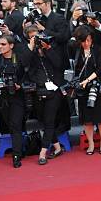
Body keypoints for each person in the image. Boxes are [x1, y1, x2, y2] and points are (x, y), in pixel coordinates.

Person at [0, 35, 34, 168]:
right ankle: (21, 148)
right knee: (11, 125)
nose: (0, 47)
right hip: (2, 98)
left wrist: (19, 85)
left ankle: (16, 156)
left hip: (17, 97)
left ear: (11, 45)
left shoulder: (19, 58)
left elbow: (27, 76)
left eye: (3, 44)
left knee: (15, 125)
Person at [25, 25, 66, 165]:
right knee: (44, 121)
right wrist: (31, 48)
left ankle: (42, 152)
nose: (36, 40)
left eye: (38, 36)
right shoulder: (27, 51)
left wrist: (47, 48)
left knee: (49, 121)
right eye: (32, 37)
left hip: (54, 91)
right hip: (37, 91)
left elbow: (59, 64)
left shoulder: (51, 47)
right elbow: (23, 65)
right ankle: (57, 147)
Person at [72, 25, 101, 155]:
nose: (87, 43)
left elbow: (100, 68)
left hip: (97, 86)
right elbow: (74, 69)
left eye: (88, 39)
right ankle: (91, 143)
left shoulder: (98, 50)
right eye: (83, 41)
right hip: (83, 89)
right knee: (87, 118)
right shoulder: (77, 51)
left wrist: (87, 80)